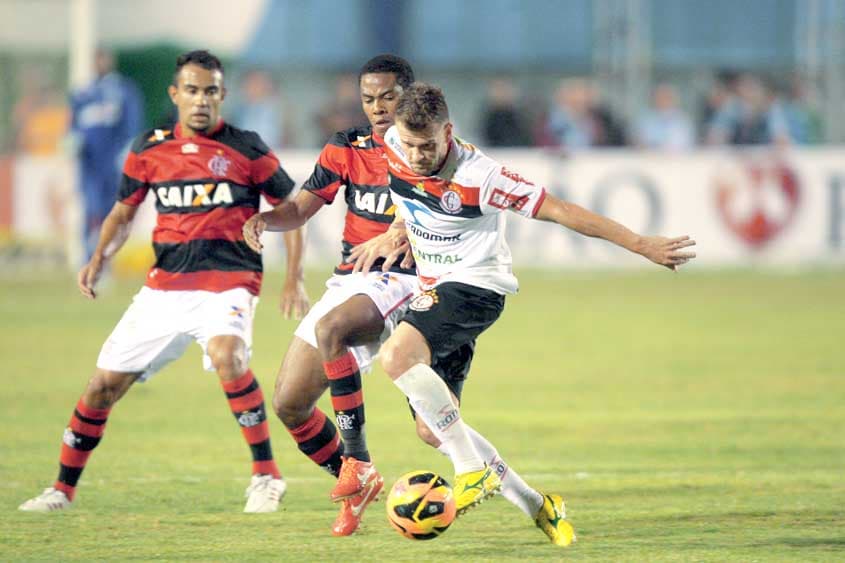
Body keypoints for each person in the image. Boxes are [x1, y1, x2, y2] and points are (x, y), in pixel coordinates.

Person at [351, 82, 696, 541]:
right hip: (435, 290)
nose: (416, 155)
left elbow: (562, 210)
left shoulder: (483, 177)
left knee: (396, 358)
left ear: (448, 131)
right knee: (434, 428)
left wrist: (640, 244)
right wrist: (397, 228)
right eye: (410, 144)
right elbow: (406, 191)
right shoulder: (394, 144)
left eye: (427, 145)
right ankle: (537, 505)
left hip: (477, 288)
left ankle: (471, 468)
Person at [19, 49, 306, 514]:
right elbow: (122, 213)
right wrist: (98, 258)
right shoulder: (148, 148)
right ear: (175, 94)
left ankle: (266, 476)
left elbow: (294, 210)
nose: (200, 100)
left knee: (227, 355)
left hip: (227, 282)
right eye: (191, 90)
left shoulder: (247, 148)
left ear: (222, 95)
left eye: (210, 91)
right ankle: (61, 490)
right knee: (100, 388)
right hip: (164, 289)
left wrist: (293, 278)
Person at [69, 47, 144, 263]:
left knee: (109, 212)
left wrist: (126, 153)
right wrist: (72, 141)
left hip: (113, 164)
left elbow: (132, 124)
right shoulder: (83, 93)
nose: (101, 63)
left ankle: (105, 261)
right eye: (97, 59)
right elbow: (73, 126)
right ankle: (86, 258)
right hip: (90, 164)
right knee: (90, 210)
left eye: (104, 58)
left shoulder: (123, 90)